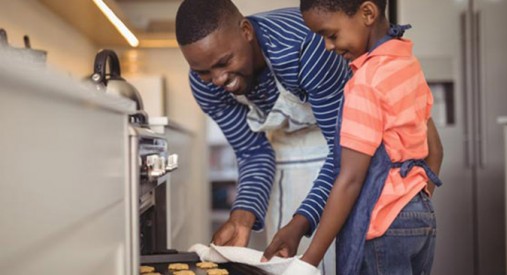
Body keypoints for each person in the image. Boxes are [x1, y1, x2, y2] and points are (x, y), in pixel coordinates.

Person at [175, 1, 352, 274]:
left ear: (246, 31)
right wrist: (241, 217)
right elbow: (253, 152)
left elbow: (343, 151)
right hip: (285, 157)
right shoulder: (204, 84)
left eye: (224, 62)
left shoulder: (305, 45)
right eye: (204, 71)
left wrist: (302, 221)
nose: (218, 79)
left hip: (346, 154)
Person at [273, 0, 444, 274]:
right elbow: (435, 151)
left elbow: (350, 179)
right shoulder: (408, 65)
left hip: (381, 227)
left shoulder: (365, 82)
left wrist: (308, 261)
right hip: (421, 220)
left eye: (331, 35)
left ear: (367, 13)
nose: (328, 46)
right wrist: (410, 205)